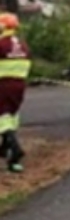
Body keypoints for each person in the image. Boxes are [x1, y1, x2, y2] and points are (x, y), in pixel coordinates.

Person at [0, 12, 30, 173]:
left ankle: (15, 149)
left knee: (2, 117)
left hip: (3, 83)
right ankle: (8, 155)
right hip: (20, 84)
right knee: (12, 116)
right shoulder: (23, 45)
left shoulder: (1, 44)